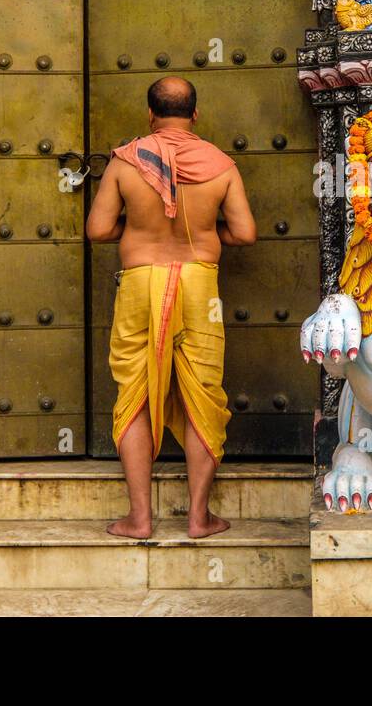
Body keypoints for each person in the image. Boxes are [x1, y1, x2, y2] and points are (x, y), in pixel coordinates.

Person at [86, 76, 257, 539]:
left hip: (140, 282)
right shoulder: (221, 166)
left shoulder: (125, 163)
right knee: (203, 394)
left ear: (150, 114)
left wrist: (140, 229)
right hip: (201, 284)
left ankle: (139, 519)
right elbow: (243, 233)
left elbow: (98, 230)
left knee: (135, 393)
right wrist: (205, 236)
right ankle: (199, 518)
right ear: (195, 115)